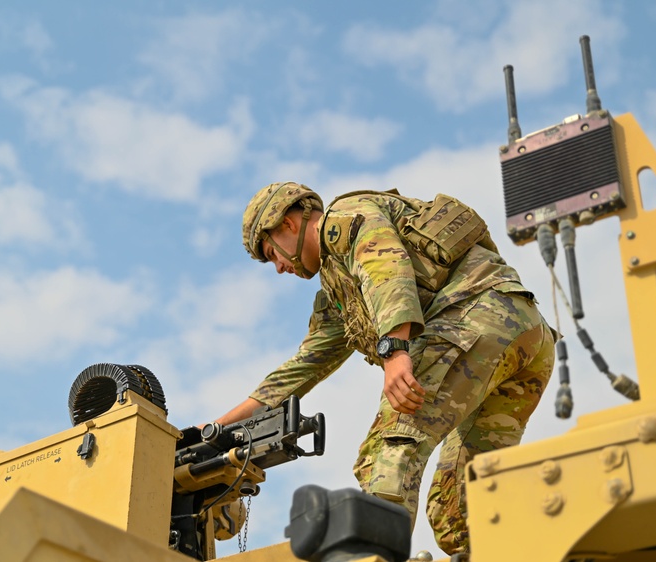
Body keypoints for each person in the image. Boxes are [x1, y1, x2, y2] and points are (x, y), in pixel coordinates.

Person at [213, 181, 555, 554]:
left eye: (271, 253)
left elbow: (386, 267)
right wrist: (216, 429)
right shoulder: (336, 293)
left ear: (288, 225)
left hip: (479, 319)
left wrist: (395, 350)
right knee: (461, 505)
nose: (279, 268)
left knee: (388, 453)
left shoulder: (343, 220)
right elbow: (301, 368)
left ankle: (372, 558)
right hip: (523, 335)